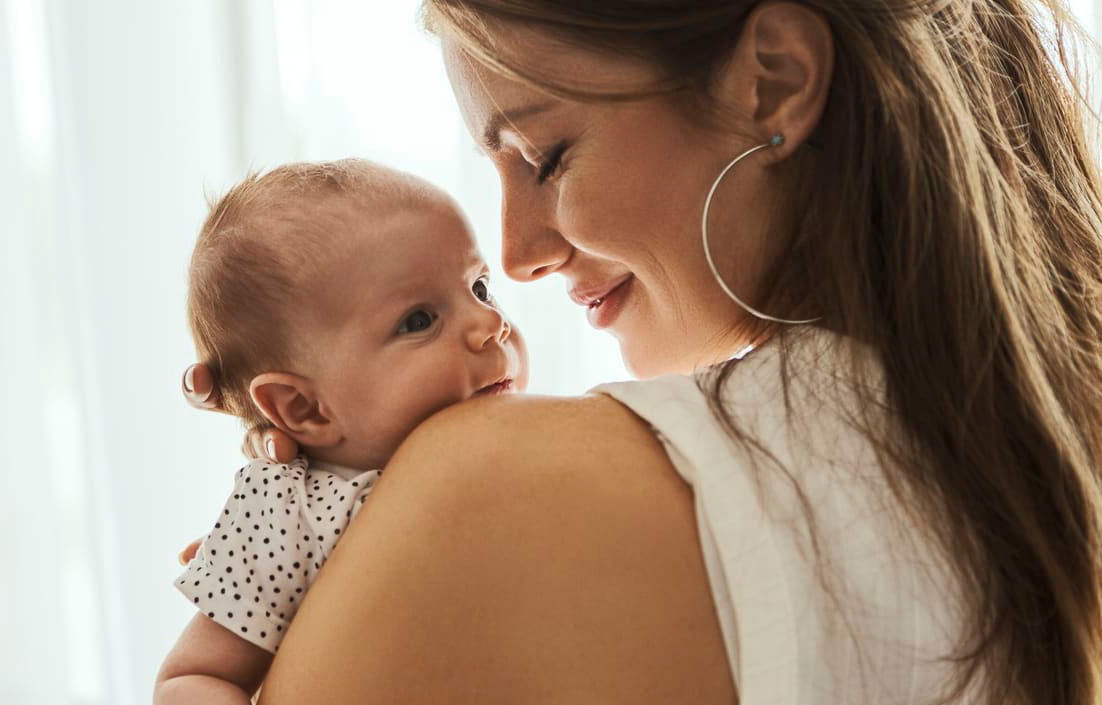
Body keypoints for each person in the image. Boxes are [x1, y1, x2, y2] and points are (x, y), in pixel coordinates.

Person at [174, 2, 1102, 703]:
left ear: (771, 82)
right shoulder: (1055, 434)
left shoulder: (485, 486)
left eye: (545, 156)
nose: (518, 255)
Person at [154, 160, 528, 704]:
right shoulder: (291, 512)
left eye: (479, 288)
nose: (489, 324)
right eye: (419, 320)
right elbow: (192, 678)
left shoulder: (530, 443)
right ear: (304, 408)